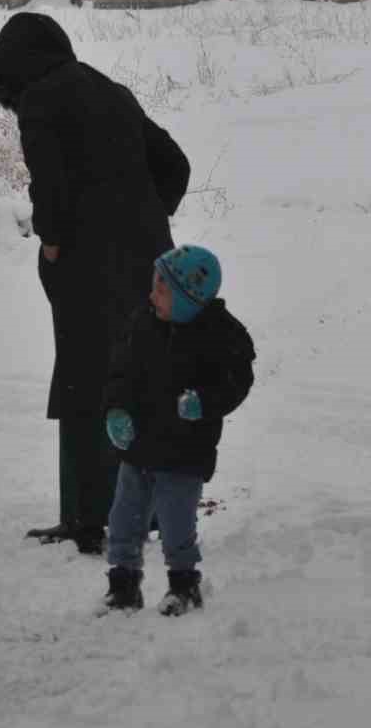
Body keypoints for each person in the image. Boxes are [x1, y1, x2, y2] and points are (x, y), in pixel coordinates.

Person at [0, 12, 191, 555]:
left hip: (85, 265)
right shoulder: (110, 90)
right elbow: (175, 163)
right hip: (147, 259)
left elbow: (50, 184)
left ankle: (88, 518)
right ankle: (149, 511)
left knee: (83, 382)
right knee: (139, 376)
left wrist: (52, 240)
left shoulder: (41, 99)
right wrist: (143, 218)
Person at [98, 245, 255, 615]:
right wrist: (116, 410)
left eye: (161, 289)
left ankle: (184, 585)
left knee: (176, 520)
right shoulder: (144, 322)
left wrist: (205, 402)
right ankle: (123, 584)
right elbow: (119, 372)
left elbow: (236, 381)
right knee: (124, 516)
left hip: (186, 449)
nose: (151, 295)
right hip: (138, 444)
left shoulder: (221, 335)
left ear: (188, 298)